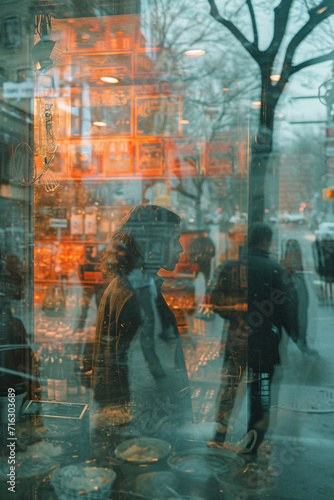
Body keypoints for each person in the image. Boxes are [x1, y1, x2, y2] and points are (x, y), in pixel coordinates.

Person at [91, 204, 193, 440]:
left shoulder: (123, 285)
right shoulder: (138, 296)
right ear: (152, 244)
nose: (180, 249)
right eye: (174, 240)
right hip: (148, 431)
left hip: (135, 425)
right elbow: (146, 376)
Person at [209, 222, 300, 455]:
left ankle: (219, 434)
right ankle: (252, 445)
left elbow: (216, 302)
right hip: (265, 344)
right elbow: (289, 310)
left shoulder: (231, 266)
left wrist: (238, 312)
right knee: (260, 393)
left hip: (237, 339)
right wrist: (297, 338)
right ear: (265, 241)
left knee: (229, 387)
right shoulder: (276, 269)